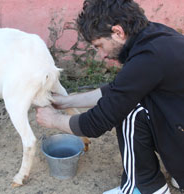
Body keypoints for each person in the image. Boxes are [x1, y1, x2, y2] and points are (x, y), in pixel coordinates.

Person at [36, 0, 184, 193]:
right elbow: (118, 90)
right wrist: (66, 102)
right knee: (131, 101)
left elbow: (97, 123)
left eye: (99, 45)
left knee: (129, 111)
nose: (101, 54)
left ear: (118, 32)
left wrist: (55, 120)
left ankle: (145, 188)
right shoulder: (156, 37)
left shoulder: (148, 58)